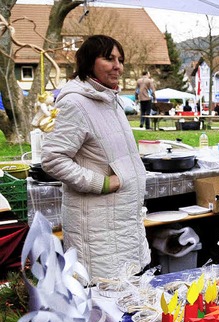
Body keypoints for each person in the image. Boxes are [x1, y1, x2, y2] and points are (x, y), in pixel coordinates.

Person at [41, 35, 150, 282]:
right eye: (109, 58)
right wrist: (99, 183)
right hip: (97, 229)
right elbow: (52, 158)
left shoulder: (111, 100)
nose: (117, 66)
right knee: (103, 304)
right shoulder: (75, 103)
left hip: (122, 223)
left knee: (126, 295)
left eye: (120, 60)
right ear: (89, 63)